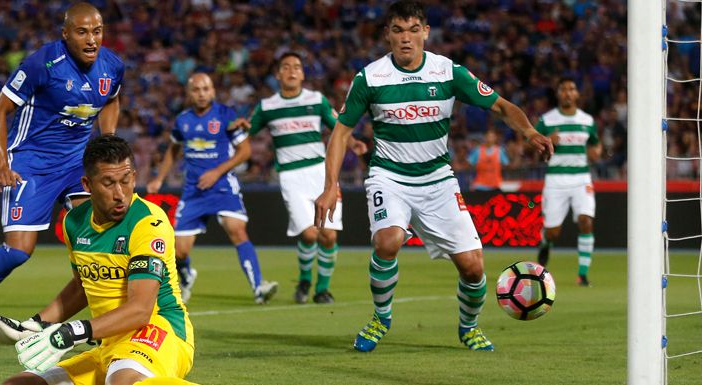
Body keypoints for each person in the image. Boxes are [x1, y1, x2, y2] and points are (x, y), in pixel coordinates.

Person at [314, 1, 552, 352]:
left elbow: (501, 106)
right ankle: (381, 318)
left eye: (413, 30)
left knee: (472, 267)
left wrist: (529, 131)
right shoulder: (370, 77)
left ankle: (468, 327)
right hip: (389, 176)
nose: (405, 38)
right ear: (387, 36)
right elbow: (341, 132)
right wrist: (330, 185)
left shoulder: (448, 72)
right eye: (398, 31)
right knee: (388, 241)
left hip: (438, 180)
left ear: (425, 32)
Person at [0, 2, 124, 349]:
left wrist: (105, 140)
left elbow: (111, 99)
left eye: (98, 31)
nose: (92, 39)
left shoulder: (113, 65)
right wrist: (1, 163)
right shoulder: (42, 64)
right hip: (30, 163)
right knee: (18, 251)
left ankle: (100, 323)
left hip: (77, 165)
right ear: (65, 34)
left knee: (100, 235)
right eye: (82, 31)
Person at [1, 135, 194, 385]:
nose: (120, 194)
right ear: (88, 184)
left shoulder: (147, 223)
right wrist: (33, 326)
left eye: (126, 181)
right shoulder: (74, 222)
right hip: (108, 339)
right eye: (108, 183)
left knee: (122, 381)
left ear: (134, 177)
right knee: (19, 384)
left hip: (158, 332)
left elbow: (141, 310)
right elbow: (83, 285)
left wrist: (71, 332)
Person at [147, 73, 278, 304]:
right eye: (196, 89)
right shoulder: (182, 120)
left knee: (237, 230)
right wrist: (160, 178)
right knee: (179, 252)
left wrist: (217, 172)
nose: (201, 94)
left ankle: (259, 287)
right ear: (189, 93)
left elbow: (245, 151)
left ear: (213, 91)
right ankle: (187, 276)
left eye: (206, 89)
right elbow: (173, 149)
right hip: (194, 190)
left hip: (222, 187)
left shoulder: (226, 115)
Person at [249, 52, 365, 304]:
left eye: (297, 67)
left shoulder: (316, 100)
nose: (292, 71)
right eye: (286, 67)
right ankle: (304, 279)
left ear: (302, 74)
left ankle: (322, 289)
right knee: (310, 234)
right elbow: (248, 131)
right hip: (290, 176)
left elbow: (338, 126)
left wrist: (354, 142)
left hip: (320, 173)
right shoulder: (268, 106)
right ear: (278, 74)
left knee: (329, 234)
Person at [535, 77, 601, 286]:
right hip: (556, 180)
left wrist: (596, 153)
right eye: (563, 89)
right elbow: (534, 154)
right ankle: (546, 242)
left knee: (586, 221)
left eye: (571, 89)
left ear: (577, 94)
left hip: (582, 179)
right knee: (554, 232)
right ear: (558, 94)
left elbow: (596, 146)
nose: (567, 93)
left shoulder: (587, 121)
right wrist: (547, 145)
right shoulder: (546, 121)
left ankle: (582, 275)